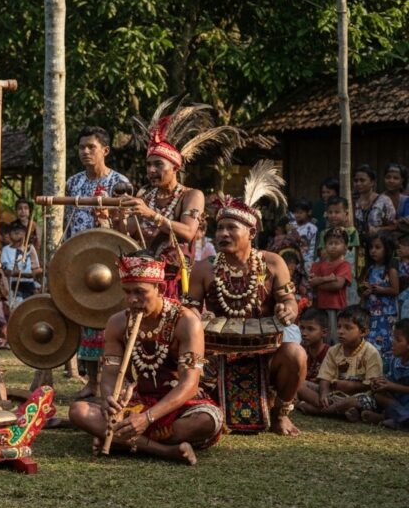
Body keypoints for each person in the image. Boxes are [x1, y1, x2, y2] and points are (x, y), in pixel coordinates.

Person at [186, 161, 306, 436]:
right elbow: (189, 310)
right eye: (219, 228)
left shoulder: (273, 263)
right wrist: (195, 317)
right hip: (216, 354)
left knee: (296, 354)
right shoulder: (204, 268)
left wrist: (288, 310)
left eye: (231, 228)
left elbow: (289, 301)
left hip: (265, 351)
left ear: (251, 233)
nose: (223, 234)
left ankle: (280, 414)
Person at [68, 252, 223, 465]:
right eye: (127, 292)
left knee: (206, 421)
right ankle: (165, 451)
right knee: (79, 411)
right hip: (139, 403)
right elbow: (110, 374)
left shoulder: (186, 322)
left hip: (181, 404)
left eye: (140, 292)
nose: (132, 299)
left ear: (160, 288)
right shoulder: (117, 323)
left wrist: (147, 418)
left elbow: (190, 384)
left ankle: (120, 440)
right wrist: (110, 399)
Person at [117, 100, 239, 300]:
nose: (151, 170)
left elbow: (189, 232)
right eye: (148, 165)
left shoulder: (192, 195)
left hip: (176, 281)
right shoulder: (145, 196)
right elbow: (127, 233)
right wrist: (115, 217)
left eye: (158, 164)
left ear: (175, 167)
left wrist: (152, 215)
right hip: (144, 282)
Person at [62, 125, 130, 395]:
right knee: (86, 319)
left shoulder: (120, 183)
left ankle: (113, 383)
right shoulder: (73, 183)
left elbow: (127, 225)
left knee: (112, 322)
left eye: (91, 147)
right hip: (81, 261)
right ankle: (92, 382)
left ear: (106, 150)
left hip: (111, 260)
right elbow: (68, 224)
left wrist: (109, 219)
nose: (85, 152)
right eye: (81, 147)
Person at [297, 306, 383, 420]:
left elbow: (373, 385)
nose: (340, 331)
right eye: (339, 327)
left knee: (354, 401)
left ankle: (316, 410)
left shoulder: (371, 353)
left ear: (363, 332)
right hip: (334, 393)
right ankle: (338, 410)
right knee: (299, 384)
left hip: (359, 396)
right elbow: (325, 377)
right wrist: (324, 394)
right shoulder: (334, 350)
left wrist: (350, 386)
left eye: (348, 327)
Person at [359, 234, 399, 369]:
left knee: (385, 341)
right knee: (371, 340)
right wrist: (365, 292)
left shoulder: (390, 269)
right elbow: (363, 287)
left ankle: (385, 370)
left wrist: (381, 290)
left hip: (386, 314)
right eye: (371, 247)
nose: (373, 251)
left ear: (386, 249)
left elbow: (395, 289)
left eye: (377, 247)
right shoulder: (369, 269)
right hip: (371, 312)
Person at [361, 318, 409, 429]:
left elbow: (393, 385)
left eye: (398, 340)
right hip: (398, 402)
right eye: (393, 338)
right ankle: (399, 419)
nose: (393, 342)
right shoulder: (394, 361)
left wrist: (392, 386)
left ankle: (394, 419)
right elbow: (390, 381)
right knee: (379, 396)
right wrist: (380, 383)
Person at [309, 227, 354, 345]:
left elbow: (337, 284)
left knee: (335, 339)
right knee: (321, 339)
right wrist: (326, 279)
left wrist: (318, 282)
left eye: (337, 243)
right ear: (325, 246)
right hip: (319, 307)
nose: (333, 246)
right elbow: (311, 283)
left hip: (336, 308)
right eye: (330, 243)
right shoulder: (317, 265)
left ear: (345, 247)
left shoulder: (345, 265)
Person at [315, 196, 360, 306]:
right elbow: (322, 254)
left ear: (346, 214)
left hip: (348, 275)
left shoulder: (352, 232)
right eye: (330, 212)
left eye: (337, 212)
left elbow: (354, 253)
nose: (333, 215)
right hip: (329, 275)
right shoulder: (324, 233)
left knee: (348, 304)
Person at [0, 221, 42, 305]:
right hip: (14, 284)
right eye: (14, 231)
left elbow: (36, 268)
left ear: (24, 233)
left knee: (30, 306)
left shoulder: (30, 248)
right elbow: (5, 270)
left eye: (20, 231)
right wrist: (13, 273)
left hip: (29, 284)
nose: (17, 233)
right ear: (9, 234)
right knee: (17, 306)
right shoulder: (6, 250)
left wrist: (31, 274)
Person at [296, 308, 331, 404]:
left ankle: (323, 407)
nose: (304, 333)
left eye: (310, 329)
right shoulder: (300, 350)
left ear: (324, 332)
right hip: (306, 390)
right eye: (302, 328)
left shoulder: (330, 353)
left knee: (297, 385)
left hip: (324, 392)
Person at [353, 164, 396, 237]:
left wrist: (378, 229)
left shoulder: (384, 201)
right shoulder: (353, 202)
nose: (358, 183)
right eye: (356, 181)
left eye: (362, 180)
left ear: (372, 182)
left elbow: (394, 226)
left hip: (378, 242)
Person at [291, 199, 318, 265]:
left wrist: (298, 238)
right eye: (296, 213)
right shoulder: (291, 225)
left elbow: (310, 244)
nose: (298, 215)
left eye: (301, 213)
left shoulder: (312, 228)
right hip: (293, 259)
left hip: (307, 260)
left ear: (309, 212)